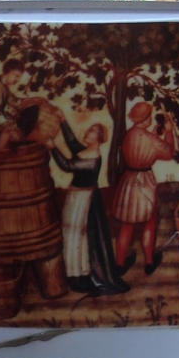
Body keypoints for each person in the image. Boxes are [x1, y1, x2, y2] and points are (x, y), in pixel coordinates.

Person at [52, 122, 128, 295]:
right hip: (76, 197)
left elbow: (67, 165)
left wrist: (52, 147)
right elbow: (73, 144)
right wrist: (63, 122)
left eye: (92, 131)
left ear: (99, 138)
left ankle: (82, 277)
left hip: (85, 201)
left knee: (81, 237)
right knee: (72, 235)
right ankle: (74, 275)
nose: (87, 132)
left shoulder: (93, 157)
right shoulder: (85, 151)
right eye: (89, 129)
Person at [112, 102, 175, 276]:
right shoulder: (150, 139)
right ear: (144, 118)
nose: (151, 118)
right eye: (149, 116)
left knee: (127, 224)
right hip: (144, 182)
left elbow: (142, 146)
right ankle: (149, 262)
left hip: (128, 181)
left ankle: (119, 264)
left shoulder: (129, 135)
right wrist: (169, 132)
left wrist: (153, 135)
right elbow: (169, 153)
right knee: (149, 221)